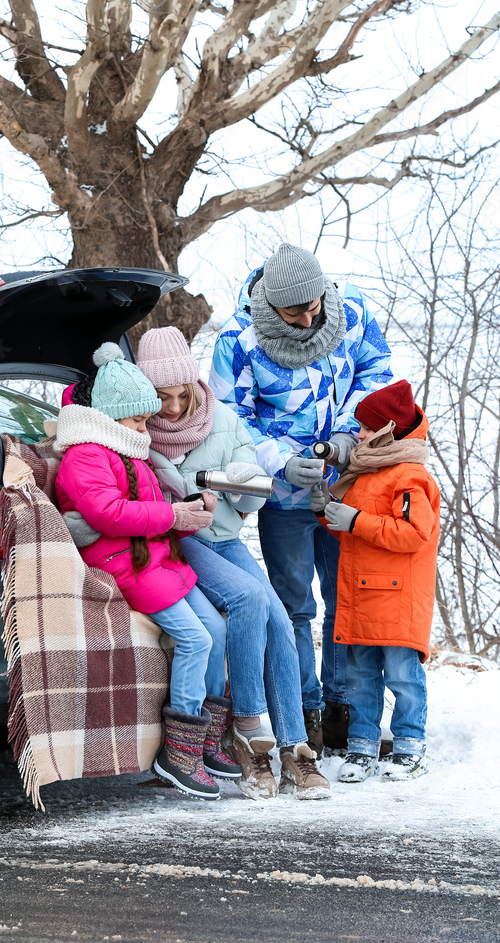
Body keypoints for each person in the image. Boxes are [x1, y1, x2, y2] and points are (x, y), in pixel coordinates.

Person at [210, 243, 392, 756]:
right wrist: (277, 461)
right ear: (269, 304)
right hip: (284, 500)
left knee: (344, 599)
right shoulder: (236, 340)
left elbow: (379, 375)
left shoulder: (351, 308)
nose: (309, 316)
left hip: (347, 485)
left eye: (314, 305)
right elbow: (229, 419)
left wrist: (350, 437)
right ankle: (305, 708)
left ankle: (342, 707)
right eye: (296, 311)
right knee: (294, 606)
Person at [136, 326, 330, 801]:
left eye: (182, 395)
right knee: (245, 598)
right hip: (184, 540)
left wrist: (244, 485)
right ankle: (247, 732)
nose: (175, 408)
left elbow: (253, 490)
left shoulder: (220, 418)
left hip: (226, 537)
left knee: (281, 621)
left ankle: (294, 748)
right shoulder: (138, 430)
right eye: (162, 397)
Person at [55, 342, 241, 800]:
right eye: (138, 420)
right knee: (196, 639)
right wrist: (175, 518)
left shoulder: (127, 451)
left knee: (215, 631)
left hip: (156, 558)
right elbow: (109, 514)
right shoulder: (87, 454)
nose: (146, 428)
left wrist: (189, 508)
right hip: (125, 564)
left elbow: (151, 506)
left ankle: (206, 738)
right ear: (110, 416)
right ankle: (179, 751)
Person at [310, 380, 439, 781]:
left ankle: (409, 747)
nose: (359, 435)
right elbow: (353, 532)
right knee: (360, 678)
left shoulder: (411, 477)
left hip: (398, 600)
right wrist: (328, 512)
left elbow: (414, 535)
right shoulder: (367, 474)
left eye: (366, 428)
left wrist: (356, 520)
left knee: (403, 676)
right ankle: (362, 746)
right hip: (362, 596)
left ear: (388, 430)